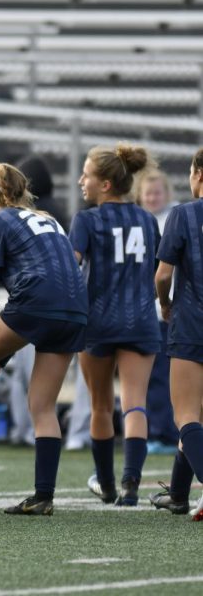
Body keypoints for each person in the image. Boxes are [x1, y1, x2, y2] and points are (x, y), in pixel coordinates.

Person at [0, 163, 88, 515]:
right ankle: (44, 496)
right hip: (75, 309)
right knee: (42, 407)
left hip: (37, 303)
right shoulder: (49, 218)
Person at [70, 144, 160, 506]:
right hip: (140, 319)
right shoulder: (147, 219)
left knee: (101, 406)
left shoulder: (86, 220)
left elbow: (71, 267)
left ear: (105, 184)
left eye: (87, 175)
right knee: (135, 404)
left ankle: (106, 484)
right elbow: (157, 272)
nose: (81, 180)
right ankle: (131, 485)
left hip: (98, 321)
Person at [152, 147, 203, 520]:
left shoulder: (183, 214)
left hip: (191, 323)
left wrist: (165, 304)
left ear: (198, 176)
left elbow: (163, 274)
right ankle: (180, 495)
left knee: (186, 416)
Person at [136, 170, 180, 454]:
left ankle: (166, 432)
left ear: (167, 194)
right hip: (148, 311)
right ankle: (156, 430)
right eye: (148, 193)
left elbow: (164, 273)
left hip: (170, 309)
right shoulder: (140, 220)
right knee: (151, 375)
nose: (152, 198)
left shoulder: (174, 218)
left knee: (167, 375)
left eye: (157, 193)